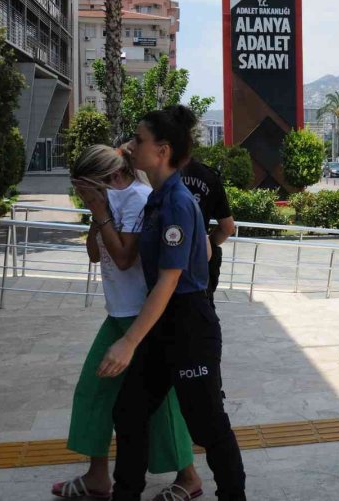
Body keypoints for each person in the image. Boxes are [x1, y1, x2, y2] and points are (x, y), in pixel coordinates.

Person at [102, 106, 246, 501]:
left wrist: (128, 341)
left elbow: (169, 281)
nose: (130, 146)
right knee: (129, 411)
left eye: (139, 140)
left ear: (162, 151)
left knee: (207, 425)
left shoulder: (177, 202)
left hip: (188, 325)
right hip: (164, 323)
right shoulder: (158, 199)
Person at [52, 145, 203, 501]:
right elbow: (95, 254)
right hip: (117, 312)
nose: (82, 196)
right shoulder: (106, 202)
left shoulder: (138, 198)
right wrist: (97, 215)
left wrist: (100, 211)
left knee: (160, 404)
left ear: (106, 178)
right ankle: (97, 477)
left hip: (141, 314)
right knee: (93, 391)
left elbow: (123, 258)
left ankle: (189, 477)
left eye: (84, 189)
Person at [181, 157, 236, 305]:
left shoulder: (161, 175)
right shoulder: (209, 176)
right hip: (199, 263)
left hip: (166, 259)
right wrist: (208, 244)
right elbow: (228, 227)